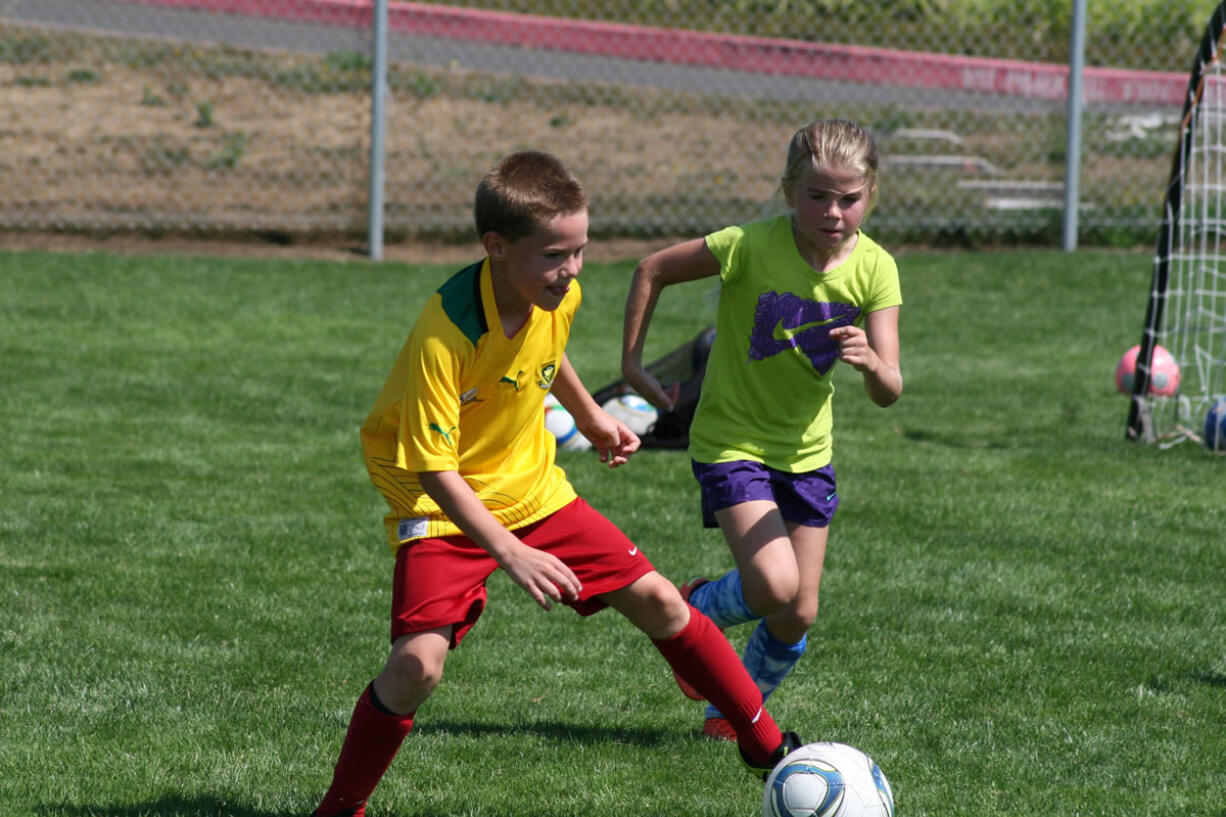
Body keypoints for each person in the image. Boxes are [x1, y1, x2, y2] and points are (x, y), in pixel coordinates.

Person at [309, 150, 799, 817]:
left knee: (661, 600)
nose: (569, 270)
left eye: (580, 251)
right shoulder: (445, 332)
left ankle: (768, 747)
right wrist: (509, 551)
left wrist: (593, 417)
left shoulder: (555, 292)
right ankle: (340, 808)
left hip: (533, 486)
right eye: (553, 255)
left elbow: (548, 351)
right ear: (497, 247)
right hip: (440, 501)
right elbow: (434, 467)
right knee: (416, 667)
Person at [620, 118, 903, 742]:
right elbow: (652, 269)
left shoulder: (877, 269)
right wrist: (632, 366)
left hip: (807, 452)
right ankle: (699, 609)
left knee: (798, 610)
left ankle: (727, 714)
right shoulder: (746, 246)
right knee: (774, 584)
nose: (833, 212)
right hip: (731, 442)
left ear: (871, 194)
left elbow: (890, 391)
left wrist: (873, 364)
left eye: (848, 198)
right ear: (788, 191)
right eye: (817, 196)